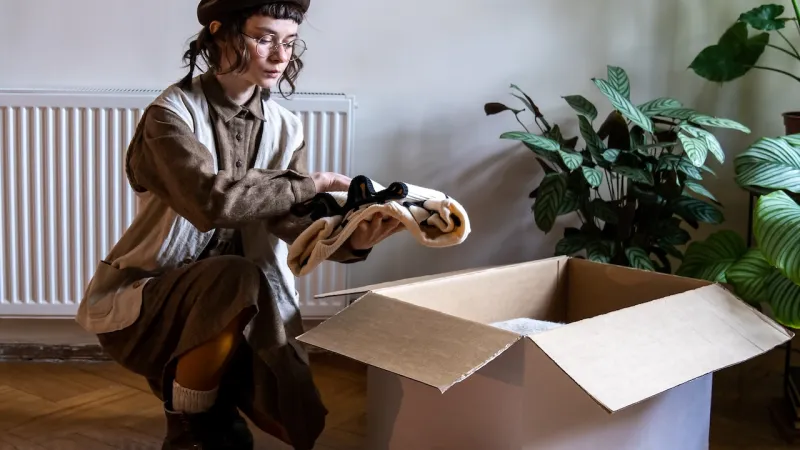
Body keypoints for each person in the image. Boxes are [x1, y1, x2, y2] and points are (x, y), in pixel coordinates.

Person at [74, 1, 403, 448]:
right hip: (152, 301)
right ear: (222, 35)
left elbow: (294, 221)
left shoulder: (287, 127)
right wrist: (316, 181)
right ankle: (187, 422)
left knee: (300, 418)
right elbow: (211, 203)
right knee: (235, 279)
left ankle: (204, 392)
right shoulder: (168, 117)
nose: (279, 56)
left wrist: (355, 238)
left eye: (288, 42)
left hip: (248, 302)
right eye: (264, 38)